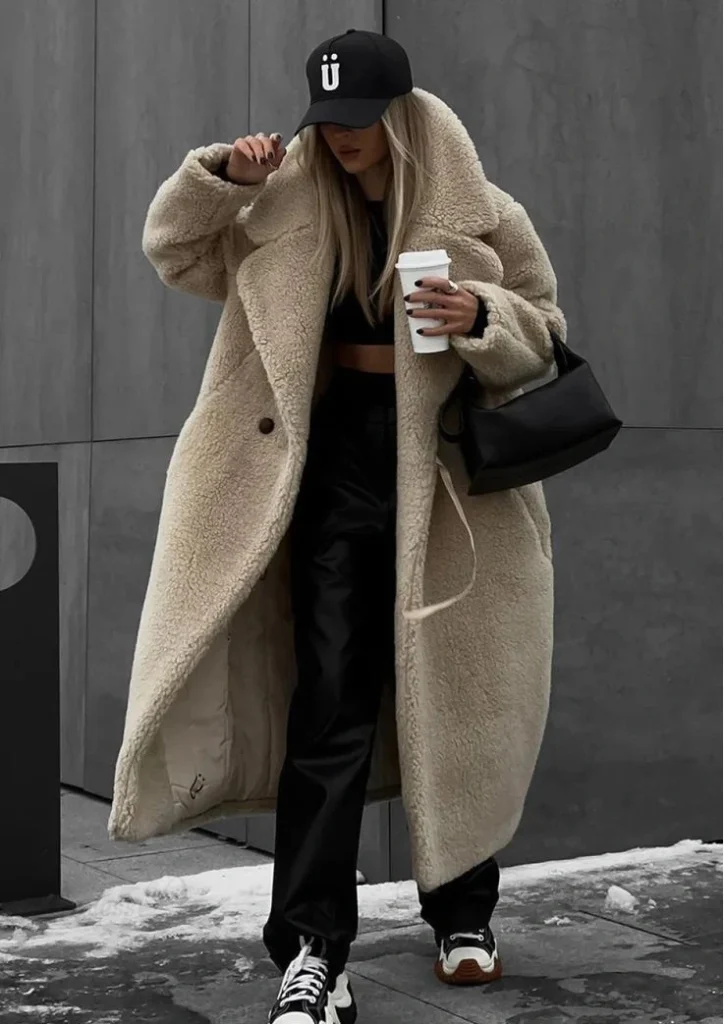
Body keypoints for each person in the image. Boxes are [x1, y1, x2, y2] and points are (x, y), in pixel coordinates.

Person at [109, 27, 566, 1024]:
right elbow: (174, 251)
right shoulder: (277, 197)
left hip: (448, 481)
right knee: (330, 706)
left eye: (360, 120)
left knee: (458, 695)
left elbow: (546, 329)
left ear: (397, 115)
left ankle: (463, 914)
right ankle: (312, 947)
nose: (344, 138)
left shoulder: (482, 213)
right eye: (330, 121)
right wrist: (219, 176)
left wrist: (480, 316)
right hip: (323, 470)